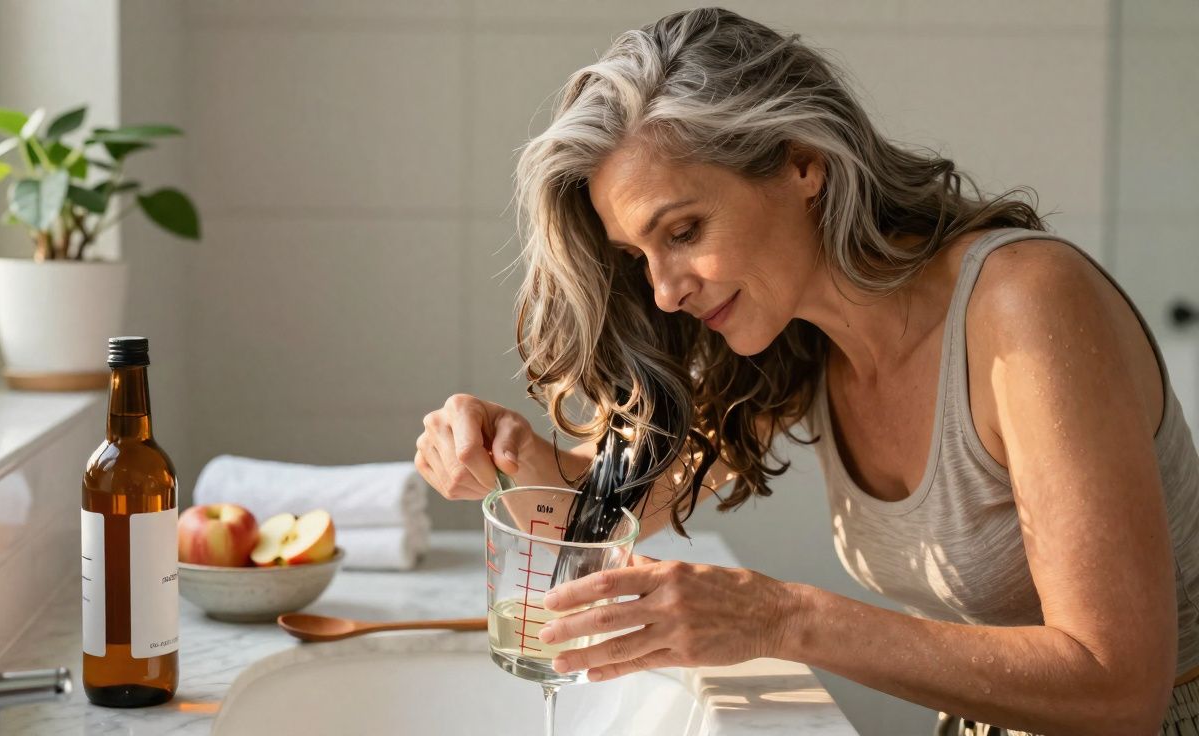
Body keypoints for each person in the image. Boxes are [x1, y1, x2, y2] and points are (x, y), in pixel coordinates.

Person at [413, 8, 1199, 734]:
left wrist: (780, 617)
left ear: (803, 163)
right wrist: (508, 455)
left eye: (683, 231)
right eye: (637, 257)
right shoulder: (797, 338)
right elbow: (618, 511)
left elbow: (1120, 689)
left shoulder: (1026, 306)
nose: (663, 291)